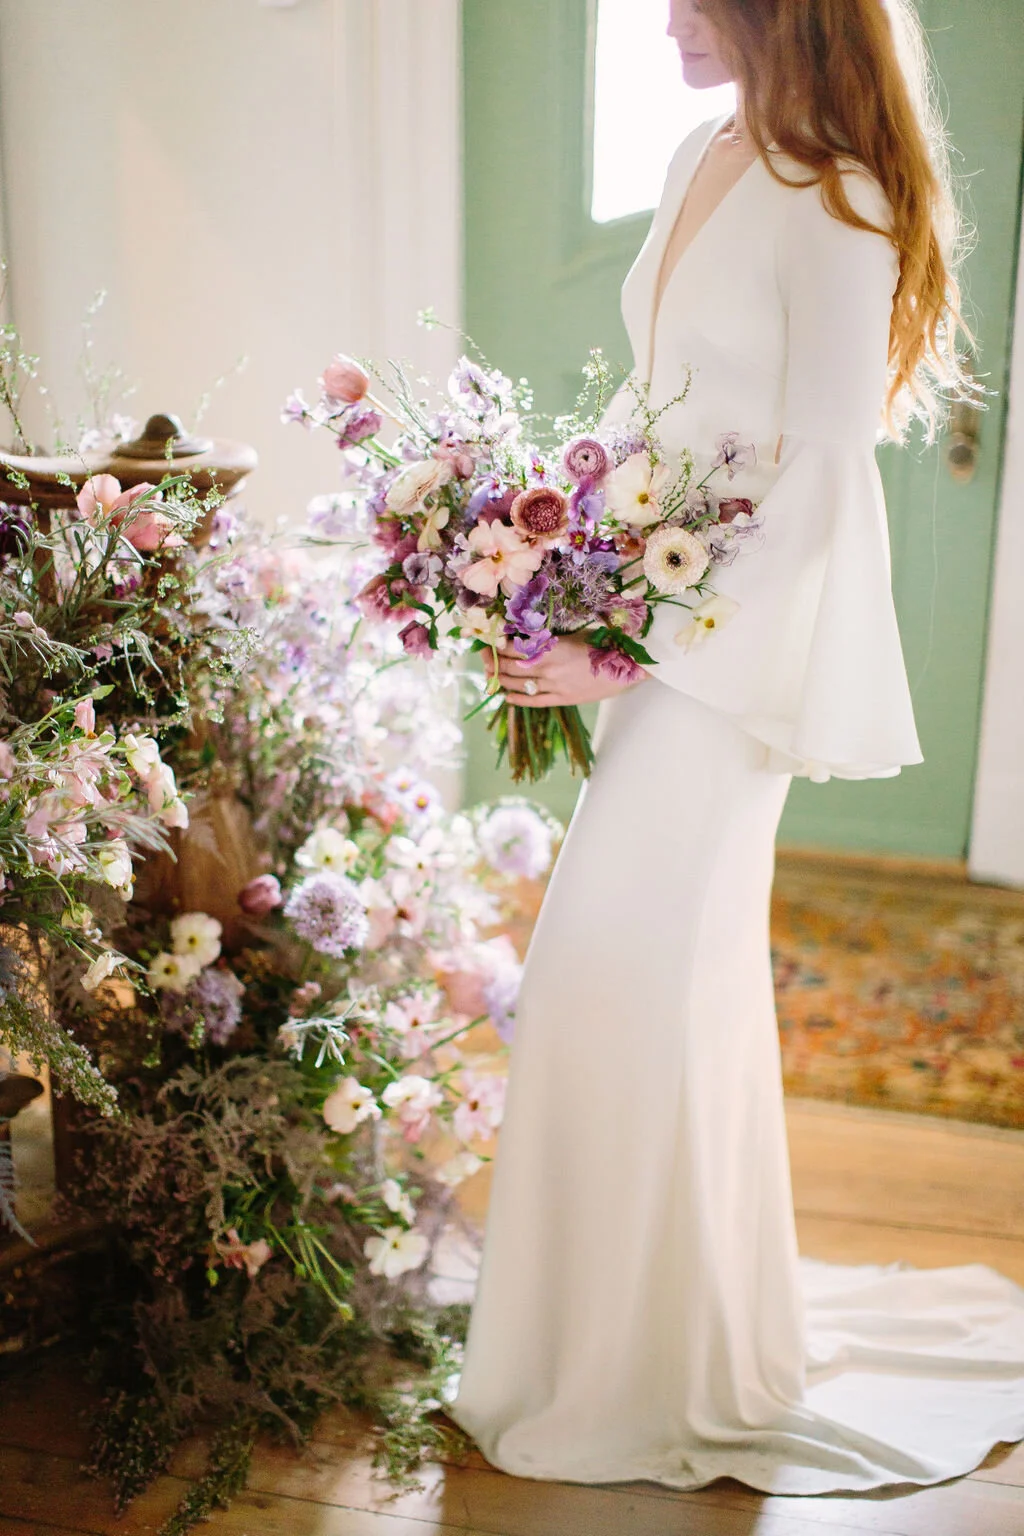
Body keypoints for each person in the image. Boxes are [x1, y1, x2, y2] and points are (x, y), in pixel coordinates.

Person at [447, 0, 1024, 1497]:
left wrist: (627, 644)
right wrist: (551, 562)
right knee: (638, 995)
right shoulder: (706, 148)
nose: (665, 18)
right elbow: (665, 418)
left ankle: (643, 1373)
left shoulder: (840, 196)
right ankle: (634, 1339)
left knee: (609, 980)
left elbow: (826, 473)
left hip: (727, 670)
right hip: (657, 645)